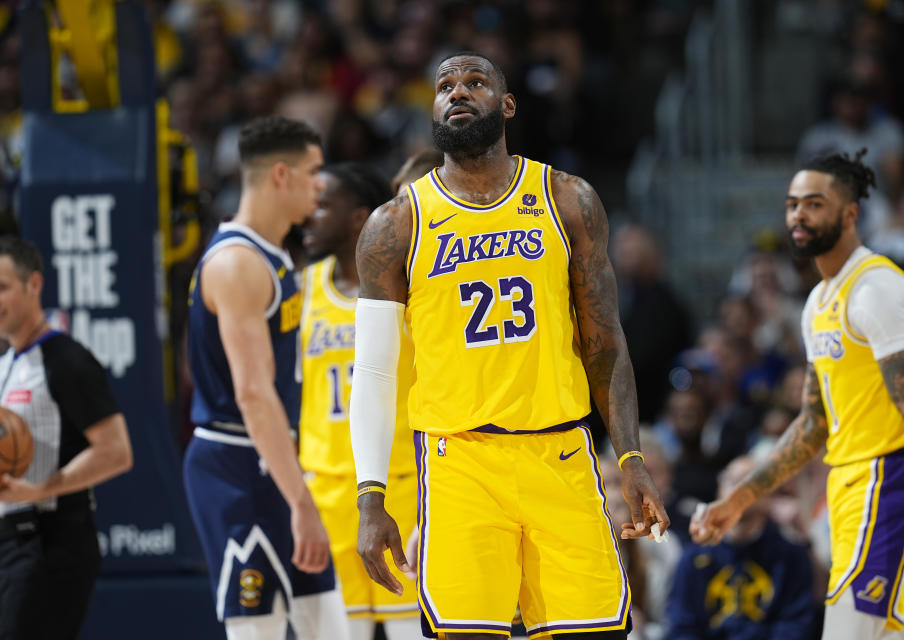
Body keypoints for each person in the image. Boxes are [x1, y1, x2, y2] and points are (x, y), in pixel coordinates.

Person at [349, 51, 670, 639]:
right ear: (433, 109)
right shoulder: (394, 224)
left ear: (508, 104)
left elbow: (605, 343)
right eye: (445, 85)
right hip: (459, 463)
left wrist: (629, 456)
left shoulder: (568, 199)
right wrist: (371, 495)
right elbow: (372, 370)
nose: (458, 91)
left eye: (476, 81)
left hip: (563, 452)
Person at [692, 150, 904, 639]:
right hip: (852, 485)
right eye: (793, 204)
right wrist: (740, 499)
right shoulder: (818, 302)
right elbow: (814, 423)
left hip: (890, 484)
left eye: (815, 204)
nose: (798, 215)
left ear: (850, 214)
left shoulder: (878, 292)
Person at [182, 116, 348, 640]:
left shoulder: (271, 255)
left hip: (270, 460)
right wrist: (300, 500)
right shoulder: (238, 265)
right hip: (239, 464)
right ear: (281, 175)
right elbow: (253, 394)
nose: (321, 184)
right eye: (313, 171)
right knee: (259, 631)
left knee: (328, 627)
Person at [298, 162, 422, 640]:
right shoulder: (302, 290)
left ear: (358, 218)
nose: (309, 216)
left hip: (400, 483)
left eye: (322, 204)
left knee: (409, 629)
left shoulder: (410, 286)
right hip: (326, 490)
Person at [0, 235, 133, 639]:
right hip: (10, 541)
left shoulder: (68, 361)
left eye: (2, 287)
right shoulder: (6, 364)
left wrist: (40, 488)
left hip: (51, 540)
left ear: (33, 285)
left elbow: (116, 453)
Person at [668, 456, 815, 640]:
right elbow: (682, 627)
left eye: (750, 482)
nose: (739, 491)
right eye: (734, 481)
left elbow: (796, 625)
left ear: (768, 493)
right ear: (719, 491)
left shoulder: (791, 557)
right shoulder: (693, 558)